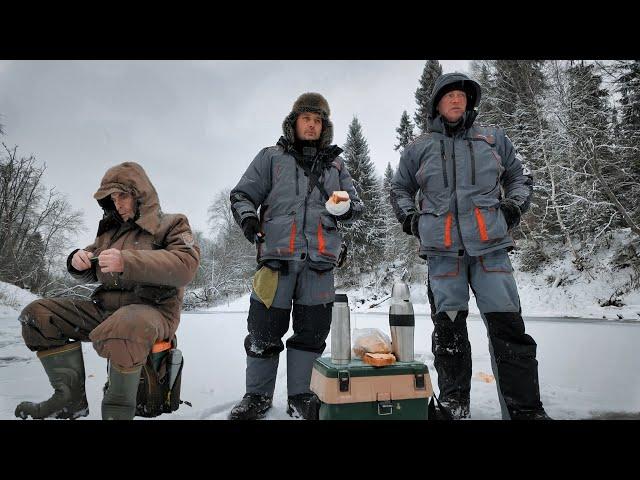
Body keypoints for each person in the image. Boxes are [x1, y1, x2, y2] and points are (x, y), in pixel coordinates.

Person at [390, 72, 550, 420]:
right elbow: (399, 190)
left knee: (509, 328)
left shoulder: (493, 138)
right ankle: (454, 405)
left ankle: (525, 409)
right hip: (443, 254)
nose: (456, 99)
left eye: (462, 94)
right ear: (436, 103)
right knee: (449, 331)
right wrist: (411, 219)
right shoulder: (419, 147)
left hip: (491, 250)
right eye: (448, 95)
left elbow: (519, 178)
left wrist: (512, 208)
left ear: (470, 101)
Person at [15, 162, 200, 420]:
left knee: (126, 326)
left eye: (122, 195)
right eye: (112, 198)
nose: (118, 203)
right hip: (105, 311)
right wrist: (77, 261)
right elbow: (94, 267)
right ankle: (68, 400)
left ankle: (117, 411)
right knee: (39, 315)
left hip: (154, 312)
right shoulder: (109, 234)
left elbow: (185, 266)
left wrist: (127, 262)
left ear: (140, 194)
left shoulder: (172, 224)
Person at [228, 92, 363, 420]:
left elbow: (355, 205)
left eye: (318, 121)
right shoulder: (271, 158)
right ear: (294, 123)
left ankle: (301, 396)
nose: (312, 125)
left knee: (312, 334)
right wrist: (248, 220)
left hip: (319, 265)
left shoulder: (336, 166)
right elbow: (242, 194)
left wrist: (344, 208)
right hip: (276, 261)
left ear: (324, 127)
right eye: (307, 119)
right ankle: (257, 397)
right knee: (263, 331)